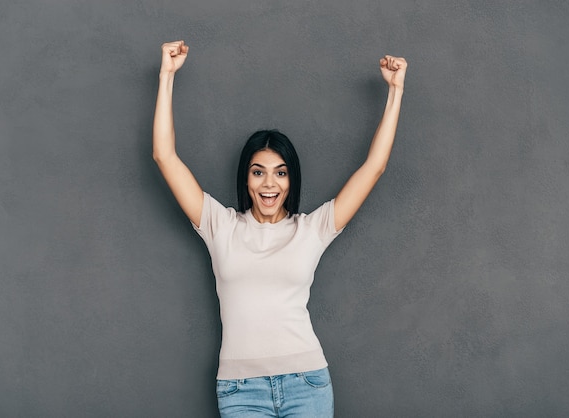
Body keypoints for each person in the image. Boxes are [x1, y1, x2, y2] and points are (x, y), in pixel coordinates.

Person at [153, 40, 407, 418]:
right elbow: (165, 156)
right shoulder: (219, 224)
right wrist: (166, 76)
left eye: (280, 172)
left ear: (291, 180)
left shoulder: (313, 229)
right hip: (240, 391)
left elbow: (374, 167)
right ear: (247, 179)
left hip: (307, 383)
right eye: (259, 172)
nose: (269, 184)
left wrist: (395, 90)